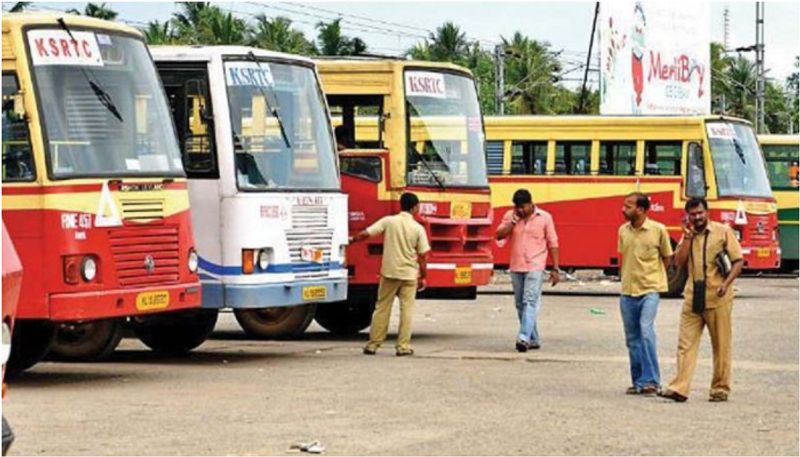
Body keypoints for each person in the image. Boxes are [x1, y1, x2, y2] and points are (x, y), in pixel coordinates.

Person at [659, 197, 743, 403]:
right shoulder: (688, 235)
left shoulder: (723, 232)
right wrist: (686, 238)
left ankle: (720, 388)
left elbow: (738, 261)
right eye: (693, 214)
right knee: (685, 344)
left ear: (707, 212)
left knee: (721, 344)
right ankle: (680, 387)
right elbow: (678, 263)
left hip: (718, 296)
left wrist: (726, 283)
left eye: (700, 213)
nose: (697, 217)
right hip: (692, 296)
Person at [349, 192, 430, 356]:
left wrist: (352, 239)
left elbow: (366, 233)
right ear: (415, 208)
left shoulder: (389, 221)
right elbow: (422, 255)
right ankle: (403, 347)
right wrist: (423, 275)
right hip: (408, 275)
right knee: (406, 311)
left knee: (382, 308)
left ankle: (373, 345)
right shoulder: (418, 228)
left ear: (401, 205)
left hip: (389, 273)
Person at [617, 192, 673, 395]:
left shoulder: (658, 230)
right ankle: (639, 381)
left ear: (641, 209)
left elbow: (667, 258)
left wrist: (656, 278)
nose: (624, 209)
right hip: (627, 292)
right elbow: (624, 258)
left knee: (646, 331)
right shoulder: (623, 230)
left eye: (628, 206)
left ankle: (651, 380)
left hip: (650, 289)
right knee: (632, 338)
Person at [496, 189, 560, 352]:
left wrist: (555, 268)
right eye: (518, 207)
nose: (521, 210)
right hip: (516, 265)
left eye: (523, 207)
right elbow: (499, 235)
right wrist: (513, 221)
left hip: (536, 265)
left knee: (530, 300)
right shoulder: (510, 216)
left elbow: (553, 243)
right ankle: (534, 338)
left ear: (531, 204)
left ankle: (523, 337)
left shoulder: (545, 217)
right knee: (520, 304)